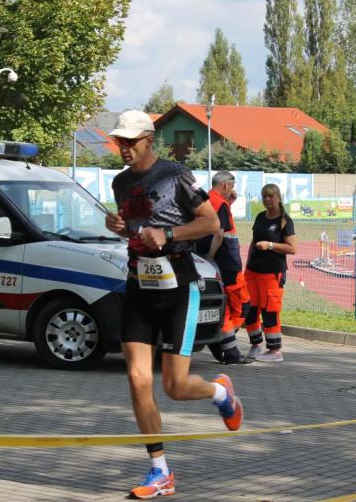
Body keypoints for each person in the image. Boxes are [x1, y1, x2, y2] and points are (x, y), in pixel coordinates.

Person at [103, 110, 244, 499]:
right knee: (136, 379)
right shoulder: (119, 183)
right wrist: (119, 228)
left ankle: (220, 394)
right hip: (138, 285)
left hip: (179, 286)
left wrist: (167, 233)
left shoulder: (174, 175)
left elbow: (210, 223)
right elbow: (133, 228)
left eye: (131, 141)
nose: (124, 148)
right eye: (120, 141)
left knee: (175, 386)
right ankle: (159, 471)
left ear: (149, 139)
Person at [196, 170, 252, 365]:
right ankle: (221, 341)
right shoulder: (220, 204)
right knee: (242, 306)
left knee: (225, 308)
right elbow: (219, 234)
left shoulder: (206, 200)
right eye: (232, 186)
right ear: (226, 185)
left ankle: (229, 350)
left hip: (210, 263)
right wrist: (211, 256)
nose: (233, 190)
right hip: (227, 262)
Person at [243, 183, 297, 362]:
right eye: (264, 196)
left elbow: (292, 248)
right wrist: (248, 263)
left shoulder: (285, 221)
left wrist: (271, 245)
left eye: (270, 196)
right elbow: (253, 242)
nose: (267, 199)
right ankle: (256, 345)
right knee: (249, 309)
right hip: (253, 272)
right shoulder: (260, 217)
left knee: (269, 311)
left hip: (272, 274)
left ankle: (275, 350)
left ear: (278, 197)